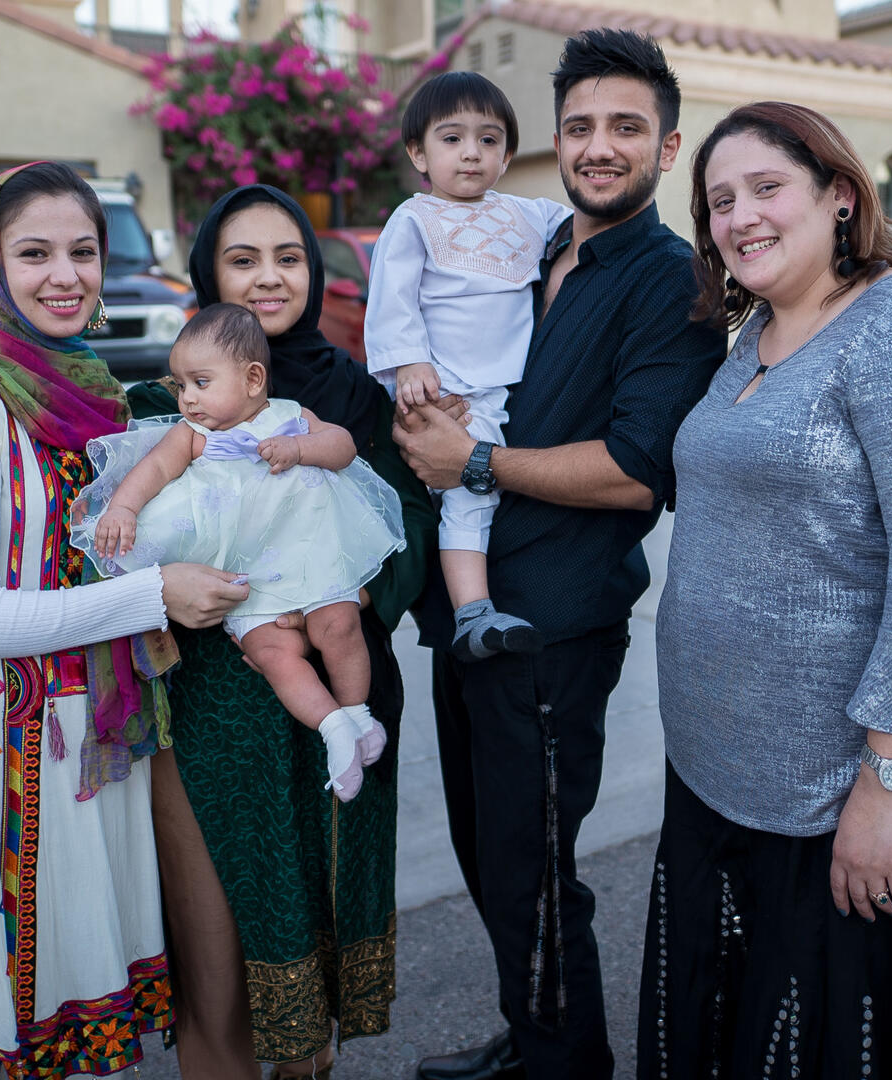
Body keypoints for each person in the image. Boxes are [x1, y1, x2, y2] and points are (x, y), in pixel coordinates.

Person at [644, 101, 892, 1079]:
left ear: (841, 196)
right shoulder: (760, 333)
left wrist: (888, 784)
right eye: (719, 200)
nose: (739, 217)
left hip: (844, 792)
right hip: (724, 777)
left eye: (767, 188)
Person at [0, 161, 249, 1077]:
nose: (65, 276)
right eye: (34, 253)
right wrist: (157, 595)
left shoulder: (85, 387)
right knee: (9, 1003)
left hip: (77, 723)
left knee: (67, 981)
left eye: (83, 252)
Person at [391, 29, 725, 1080]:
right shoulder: (532, 246)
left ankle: (566, 1067)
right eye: (580, 125)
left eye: (626, 126)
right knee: (489, 853)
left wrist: (473, 461)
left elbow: (636, 469)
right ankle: (534, 1037)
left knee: (532, 867)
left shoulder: (674, 284)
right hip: (467, 609)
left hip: (552, 626)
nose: (598, 145)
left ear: (668, 150)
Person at [135, 185, 440, 1078]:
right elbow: (145, 524)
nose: (270, 278)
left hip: (339, 671)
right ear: (207, 274)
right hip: (216, 694)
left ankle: (311, 1066)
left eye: (289, 257)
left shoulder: (351, 390)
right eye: (243, 259)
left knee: (323, 901)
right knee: (222, 922)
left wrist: (345, 608)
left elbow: (410, 513)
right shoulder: (178, 394)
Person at [74, 302, 404, 801]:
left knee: (339, 626)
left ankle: (357, 711)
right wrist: (121, 508)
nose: (186, 398)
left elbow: (343, 448)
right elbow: (153, 472)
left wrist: (300, 450)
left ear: (253, 379)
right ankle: (333, 725)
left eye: (200, 383)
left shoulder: (290, 417)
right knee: (273, 655)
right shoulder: (193, 435)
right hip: (245, 578)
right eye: (181, 385)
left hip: (309, 559)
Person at [365, 70, 570, 661]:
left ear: (507, 154)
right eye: (452, 139)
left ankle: (474, 606)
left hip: (510, 385)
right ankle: (472, 613)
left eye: (489, 140)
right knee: (468, 495)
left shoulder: (525, 214)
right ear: (418, 153)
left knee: (495, 491)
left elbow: (582, 229)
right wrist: (407, 363)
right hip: (448, 386)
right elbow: (393, 297)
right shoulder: (414, 219)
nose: (472, 154)